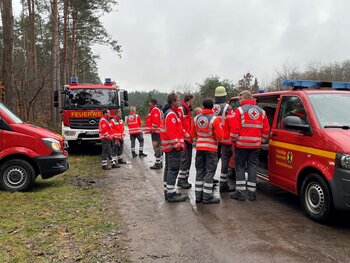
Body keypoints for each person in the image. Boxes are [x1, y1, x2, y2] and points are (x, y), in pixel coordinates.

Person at [230, 90, 270, 201]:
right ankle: (252, 193)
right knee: (253, 168)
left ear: (245, 97)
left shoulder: (240, 110)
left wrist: (234, 141)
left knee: (240, 168)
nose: (239, 101)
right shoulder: (262, 112)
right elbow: (266, 130)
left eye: (240, 99)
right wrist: (260, 141)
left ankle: (240, 193)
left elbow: (234, 130)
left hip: (241, 145)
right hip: (255, 146)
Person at [191, 98, 224, 204]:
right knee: (210, 172)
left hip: (199, 148)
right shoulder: (215, 119)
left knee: (200, 171)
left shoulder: (196, 118)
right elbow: (220, 137)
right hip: (211, 149)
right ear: (212, 107)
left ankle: (198, 196)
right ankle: (207, 197)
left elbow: (193, 134)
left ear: (203, 106)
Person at [161, 92, 187, 202]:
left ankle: (169, 190)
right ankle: (171, 194)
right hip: (173, 147)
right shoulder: (171, 114)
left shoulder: (170, 113)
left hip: (169, 147)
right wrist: (177, 145)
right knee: (173, 169)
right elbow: (171, 133)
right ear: (172, 101)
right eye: (178, 100)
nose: (180, 102)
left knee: (168, 168)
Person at [213, 86, 235, 193]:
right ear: (225, 96)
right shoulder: (227, 107)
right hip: (225, 138)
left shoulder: (212, 106)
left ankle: (210, 180)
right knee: (225, 162)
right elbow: (232, 123)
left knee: (213, 160)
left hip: (215, 139)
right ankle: (223, 185)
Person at [177, 93, 194, 189]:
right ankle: (181, 179)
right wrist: (185, 134)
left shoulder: (187, 109)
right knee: (185, 159)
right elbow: (179, 124)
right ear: (191, 99)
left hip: (188, 138)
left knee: (188, 159)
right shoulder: (182, 109)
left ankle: (185, 178)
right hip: (184, 138)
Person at [145, 99, 163, 169]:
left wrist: (152, 129)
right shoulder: (155, 109)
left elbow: (155, 122)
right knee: (158, 147)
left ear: (151, 103)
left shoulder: (154, 110)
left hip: (156, 131)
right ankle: (160, 162)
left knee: (156, 147)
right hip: (156, 131)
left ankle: (158, 163)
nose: (149, 104)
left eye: (149, 103)